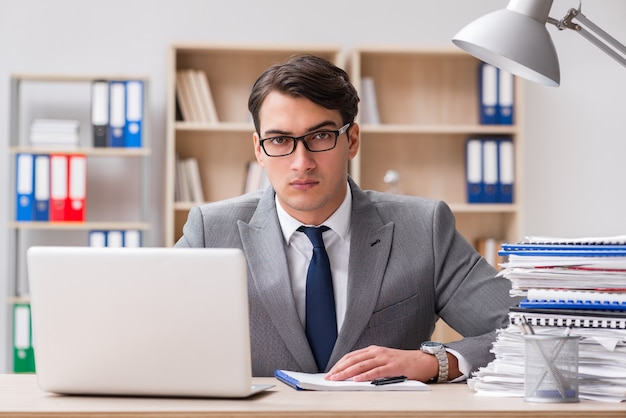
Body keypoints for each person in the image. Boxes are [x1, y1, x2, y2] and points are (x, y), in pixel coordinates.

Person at [174, 54, 514, 383]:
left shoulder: (423, 228)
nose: (301, 162)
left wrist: (433, 362)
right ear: (259, 150)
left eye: (320, 136)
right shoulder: (210, 231)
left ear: (351, 140)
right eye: (279, 140)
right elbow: (149, 331)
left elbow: (529, 331)